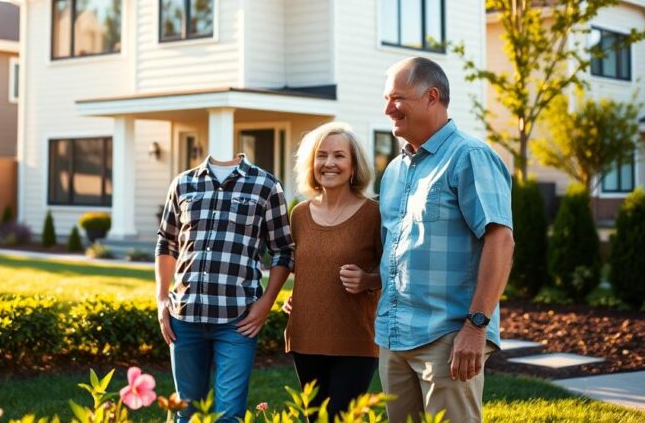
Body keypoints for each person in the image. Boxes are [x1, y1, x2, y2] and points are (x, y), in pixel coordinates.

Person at [376, 56, 515, 423]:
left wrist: (476, 327)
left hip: (448, 337)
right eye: (386, 99)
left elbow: (500, 241)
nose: (388, 108)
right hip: (394, 337)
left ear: (431, 97)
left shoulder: (469, 157)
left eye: (397, 98)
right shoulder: (394, 171)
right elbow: (397, 249)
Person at [155, 153, 294, 423]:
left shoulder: (266, 185)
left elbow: (284, 250)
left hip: (238, 321)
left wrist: (266, 302)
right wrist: (161, 298)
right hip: (184, 318)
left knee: (228, 416)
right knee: (187, 413)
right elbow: (167, 243)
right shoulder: (183, 183)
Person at [282, 122, 383, 421]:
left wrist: (368, 280)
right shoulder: (299, 214)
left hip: (355, 339)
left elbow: (393, 270)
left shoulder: (373, 214)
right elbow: (305, 268)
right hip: (305, 337)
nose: (329, 163)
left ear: (354, 166)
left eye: (339, 156)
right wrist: (297, 296)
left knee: (340, 417)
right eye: (321, 155)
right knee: (315, 418)